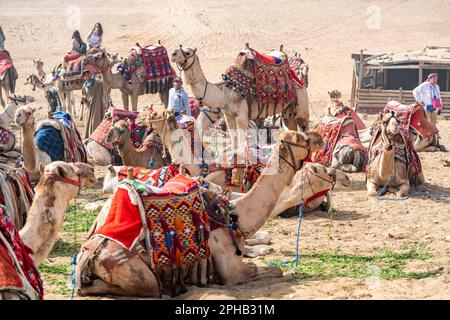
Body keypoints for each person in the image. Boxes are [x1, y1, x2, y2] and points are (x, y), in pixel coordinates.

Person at [81, 69, 106, 139]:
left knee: (96, 120)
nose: (87, 76)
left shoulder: (97, 82)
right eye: (85, 75)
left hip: (96, 105)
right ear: (84, 77)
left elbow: (104, 85)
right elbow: (84, 95)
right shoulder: (84, 86)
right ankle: (89, 136)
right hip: (88, 106)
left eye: (88, 74)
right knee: (88, 122)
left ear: (91, 74)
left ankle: (96, 136)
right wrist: (83, 98)